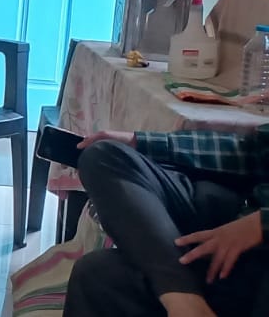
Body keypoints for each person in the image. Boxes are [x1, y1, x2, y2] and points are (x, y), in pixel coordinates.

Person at [64, 127, 269, 317]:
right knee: (104, 156)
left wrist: (261, 223)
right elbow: (252, 152)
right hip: (240, 211)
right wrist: (141, 142)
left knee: (96, 273)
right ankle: (185, 300)